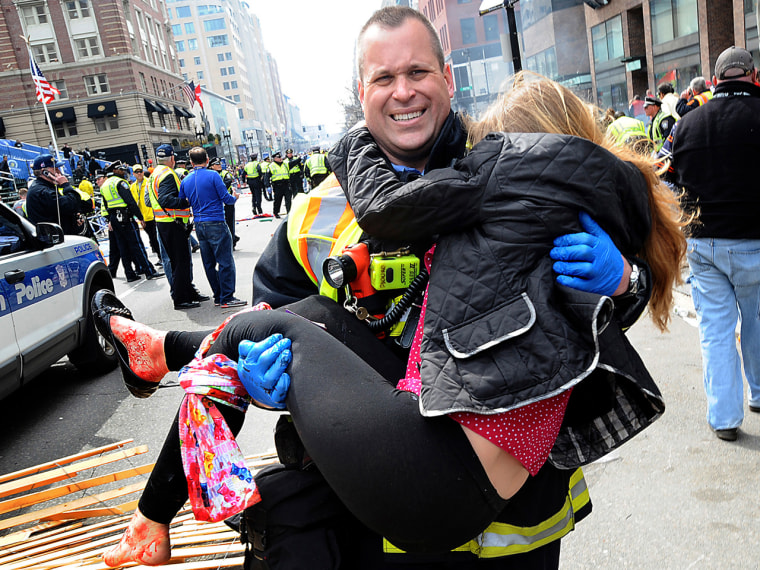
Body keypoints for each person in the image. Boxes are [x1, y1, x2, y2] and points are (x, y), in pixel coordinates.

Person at [98, 9, 682, 570]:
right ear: (363, 91)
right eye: (384, 77)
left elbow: (577, 318)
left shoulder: (496, 166)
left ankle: (161, 356)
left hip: (516, 514)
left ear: (446, 79)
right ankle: (161, 413)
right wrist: (266, 383)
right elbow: (274, 322)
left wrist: (625, 282)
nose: (403, 92)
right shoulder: (315, 212)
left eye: (418, 72)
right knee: (275, 330)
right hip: (378, 509)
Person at [668, 46, 760, 442]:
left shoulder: (686, 124)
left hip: (704, 245)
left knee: (716, 331)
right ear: (753, 76)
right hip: (755, 241)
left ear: (716, 78)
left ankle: (724, 419)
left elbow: (664, 176)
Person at [180, 147, 246, 309]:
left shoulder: (186, 180)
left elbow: (183, 202)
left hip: (199, 224)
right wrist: (235, 197)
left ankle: (218, 295)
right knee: (225, 261)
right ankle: (227, 297)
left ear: (191, 162)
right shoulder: (213, 176)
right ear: (207, 160)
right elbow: (226, 199)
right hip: (216, 221)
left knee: (208, 262)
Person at [147, 144, 205, 310]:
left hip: (165, 222)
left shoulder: (155, 173)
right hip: (172, 223)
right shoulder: (167, 174)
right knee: (180, 262)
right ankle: (181, 299)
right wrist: (186, 202)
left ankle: (188, 293)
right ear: (172, 158)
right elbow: (166, 200)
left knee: (180, 261)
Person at [99, 161, 163, 282]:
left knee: (123, 247)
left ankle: (130, 274)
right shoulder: (120, 183)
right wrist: (140, 217)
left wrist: (110, 220)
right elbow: (131, 202)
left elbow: (105, 204)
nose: (123, 172)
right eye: (121, 170)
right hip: (125, 217)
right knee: (137, 245)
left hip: (114, 218)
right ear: (115, 170)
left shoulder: (105, 185)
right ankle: (149, 271)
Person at [25, 154, 91, 235]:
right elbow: (71, 205)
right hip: (54, 239)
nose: (59, 172)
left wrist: (73, 218)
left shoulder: (44, 188)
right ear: (44, 172)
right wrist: (65, 185)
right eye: (55, 169)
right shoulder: (43, 191)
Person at [209, 157, 240, 248]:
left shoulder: (225, 173)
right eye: (216, 164)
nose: (219, 166)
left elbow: (227, 183)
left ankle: (232, 242)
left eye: (219, 164)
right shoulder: (210, 175)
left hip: (227, 201)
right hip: (216, 203)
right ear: (211, 166)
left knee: (230, 222)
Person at [130, 164, 160, 259]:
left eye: (140, 171)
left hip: (154, 215)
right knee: (152, 239)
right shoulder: (133, 187)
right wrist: (139, 218)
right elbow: (134, 204)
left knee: (157, 238)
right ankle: (161, 257)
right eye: (137, 172)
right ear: (133, 174)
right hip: (144, 218)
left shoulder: (149, 182)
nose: (139, 173)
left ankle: (164, 257)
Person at [267, 151, 291, 218]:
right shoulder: (271, 166)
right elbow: (267, 176)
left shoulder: (285, 164)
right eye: (278, 157)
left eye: (280, 157)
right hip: (277, 185)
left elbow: (291, 164)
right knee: (278, 200)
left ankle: (289, 212)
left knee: (288, 199)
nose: (280, 158)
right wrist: (268, 186)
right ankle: (276, 212)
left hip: (286, 184)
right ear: (275, 158)